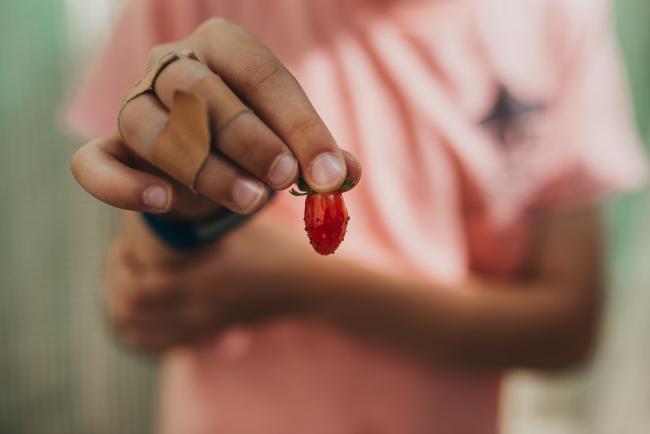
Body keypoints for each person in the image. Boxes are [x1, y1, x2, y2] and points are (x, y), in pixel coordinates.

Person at [68, 0, 648, 432]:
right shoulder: (185, 14)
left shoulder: (557, 18)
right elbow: (140, 307)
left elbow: (569, 326)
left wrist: (305, 283)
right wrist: (183, 209)